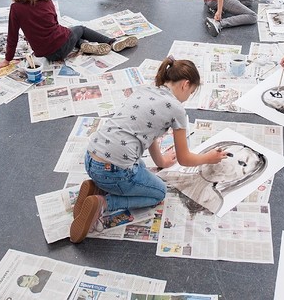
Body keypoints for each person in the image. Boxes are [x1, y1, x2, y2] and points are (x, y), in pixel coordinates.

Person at [70, 57, 228, 243]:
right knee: (158, 192)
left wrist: (161, 162)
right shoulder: (177, 109)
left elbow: (149, 135)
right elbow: (185, 159)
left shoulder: (145, 90)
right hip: (114, 171)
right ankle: (103, 203)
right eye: (192, 92)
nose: (188, 97)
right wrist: (208, 158)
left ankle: (97, 186)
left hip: (91, 158)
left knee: (140, 164)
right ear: (185, 84)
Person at [0, 0, 138, 67]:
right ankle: (112, 42)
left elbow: (12, 36)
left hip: (46, 54)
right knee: (79, 28)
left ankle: (82, 45)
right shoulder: (47, 2)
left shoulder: (16, 8)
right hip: (61, 46)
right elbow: (54, 25)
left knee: (68, 33)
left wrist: (7, 60)